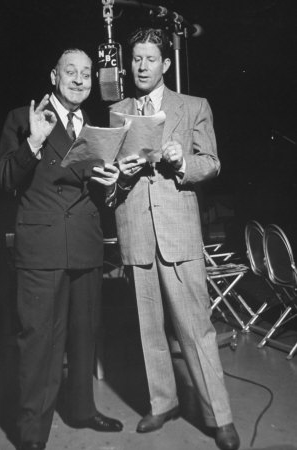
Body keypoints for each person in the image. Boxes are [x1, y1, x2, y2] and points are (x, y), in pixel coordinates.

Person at [110, 28, 240, 450]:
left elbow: (213, 163)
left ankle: (218, 416)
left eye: (150, 59)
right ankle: (163, 402)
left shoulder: (194, 106)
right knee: (149, 330)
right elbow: (107, 178)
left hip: (179, 234)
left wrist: (184, 162)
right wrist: (119, 174)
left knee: (196, 329)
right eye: (136, 59)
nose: (142, 66)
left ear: (166, 64)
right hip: (137, 232)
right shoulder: (118, 111)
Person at [0, 47, 123, 450]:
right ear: (54, 76)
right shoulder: (21, 119)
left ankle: (82, 410)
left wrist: (114, 180)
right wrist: (32, 142)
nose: (80, 79)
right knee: (39, 345)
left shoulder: (99, 128)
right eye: (71, 71)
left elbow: (103, 197)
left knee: (85, 335)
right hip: (41, 248)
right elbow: (2, 180)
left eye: (87, 73)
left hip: (85, 247)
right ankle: (32, 434)